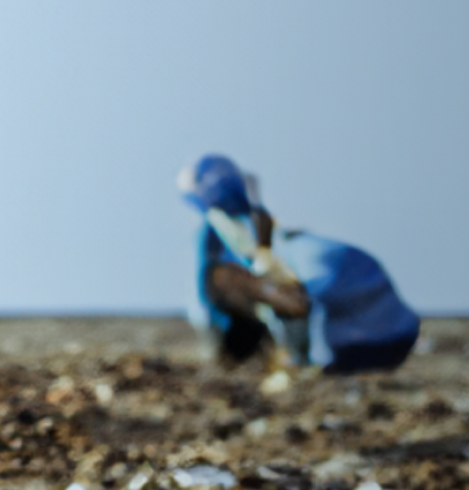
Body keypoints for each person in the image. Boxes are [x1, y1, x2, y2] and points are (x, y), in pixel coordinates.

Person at [178, 154, 417, 375]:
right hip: (394, 333)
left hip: (353, 340)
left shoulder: (262, 250)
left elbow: (298, 296)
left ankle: (297, 357)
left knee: (238, 284)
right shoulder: (275, 241)